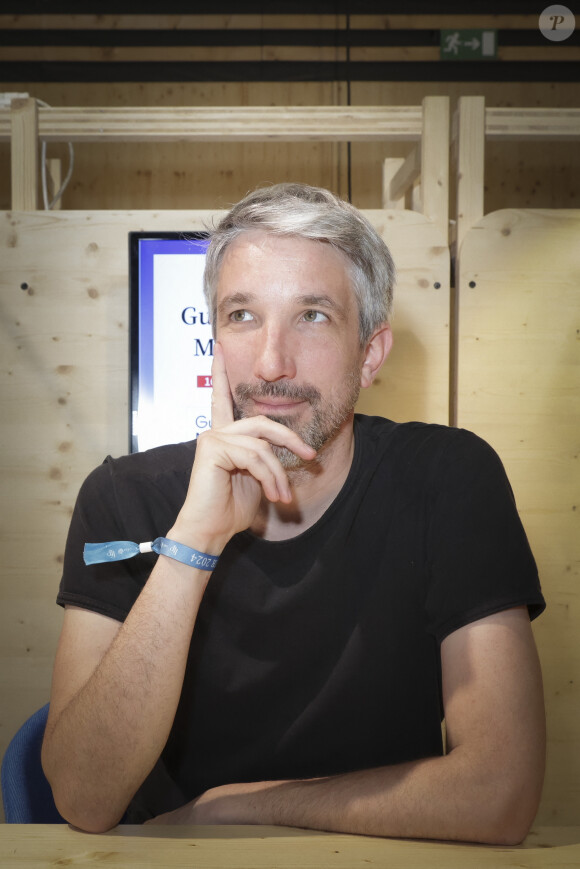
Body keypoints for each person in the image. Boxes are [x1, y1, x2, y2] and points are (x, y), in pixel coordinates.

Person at [42, 183, 546, 843]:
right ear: (215, 338)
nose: (272, 363)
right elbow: (84, 794)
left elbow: (500, 792)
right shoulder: (122, 495)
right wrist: (194, 540)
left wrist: (236, 805)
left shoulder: (447, 478)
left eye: (312, 315)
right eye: (242, 315)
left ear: (370, 353)